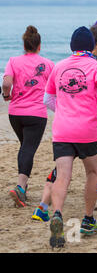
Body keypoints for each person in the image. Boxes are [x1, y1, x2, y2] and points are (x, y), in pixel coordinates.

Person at [43, 26, 97, 248]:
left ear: (71, 46)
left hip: (62, 130)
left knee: (62, 176)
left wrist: (65, 112)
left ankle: (57, 214)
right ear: (91, 45)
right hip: (86, 129)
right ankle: (88, 218)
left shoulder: (59, 67)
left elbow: (47, 99)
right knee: (93, 171)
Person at [2, 26, 54, 207]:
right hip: (36, 114)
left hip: (15, 114)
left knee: (25, 147)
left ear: (24, 46)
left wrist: (6, 95)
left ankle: (23, 186)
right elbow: (54, 89)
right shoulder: (48, 64)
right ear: (39, 46)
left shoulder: (13, 61)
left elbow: (7, 82)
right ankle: (20, 187)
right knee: (28, 149)